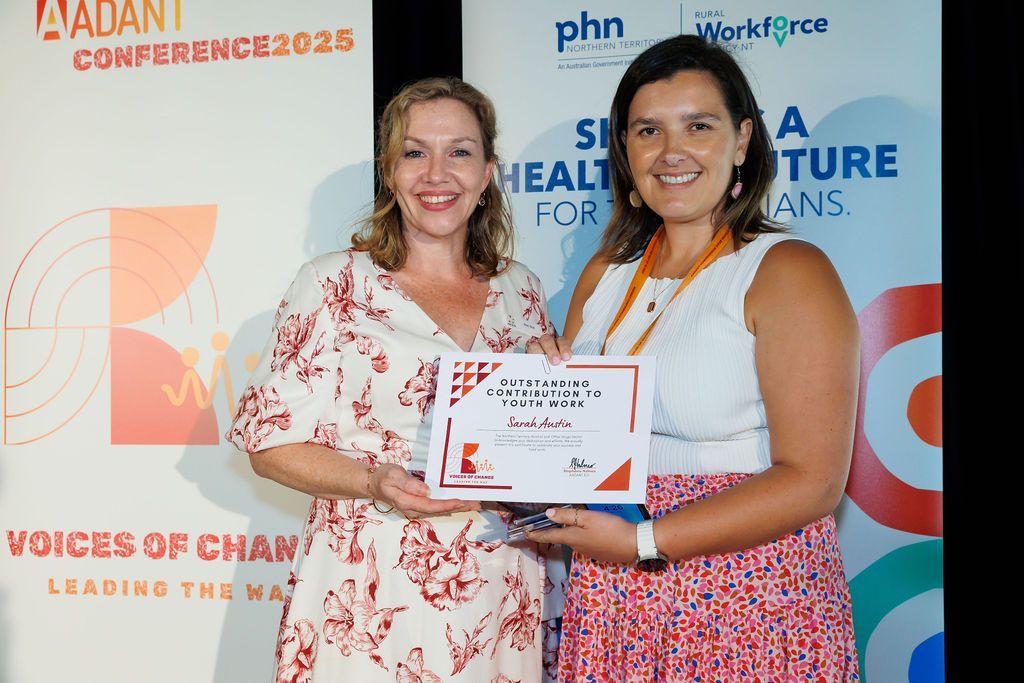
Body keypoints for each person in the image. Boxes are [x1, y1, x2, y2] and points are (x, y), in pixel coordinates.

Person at [527, 36, 860, 681]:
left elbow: (814, 481)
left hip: (748, 592)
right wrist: (538, 399)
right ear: (625, 151)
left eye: (698, 126)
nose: (671, 152)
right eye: (647, 130)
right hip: (615, 592)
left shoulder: (788, 270)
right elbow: (579, 447)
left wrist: (646, 542)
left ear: (742, 140)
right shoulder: (605, 273)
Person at [227, 77, 564, 682]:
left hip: (504, 587)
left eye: (459, 152)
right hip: (369, 593)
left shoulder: (523, 290)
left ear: (488, 172)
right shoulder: (332, 285)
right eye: (415, 153)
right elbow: (268, 445)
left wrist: (566, 390)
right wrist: (375, 480)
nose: (437, 174)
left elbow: (544, 448)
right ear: (390, 171)